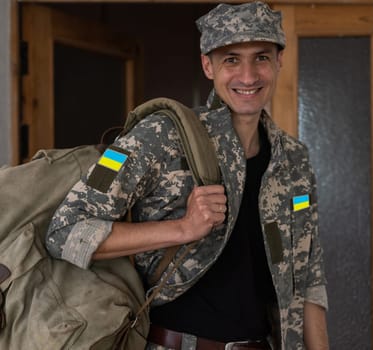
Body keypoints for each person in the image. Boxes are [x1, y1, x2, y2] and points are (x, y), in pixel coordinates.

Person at [45, 1, 329, 349]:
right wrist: (183, 228)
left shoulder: (293, 160)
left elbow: (309, 279)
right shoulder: (159, 135)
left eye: (261, 57)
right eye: (231, 59)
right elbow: (65, 231)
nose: (248, 76)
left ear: (279, 61)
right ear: (207, 65)